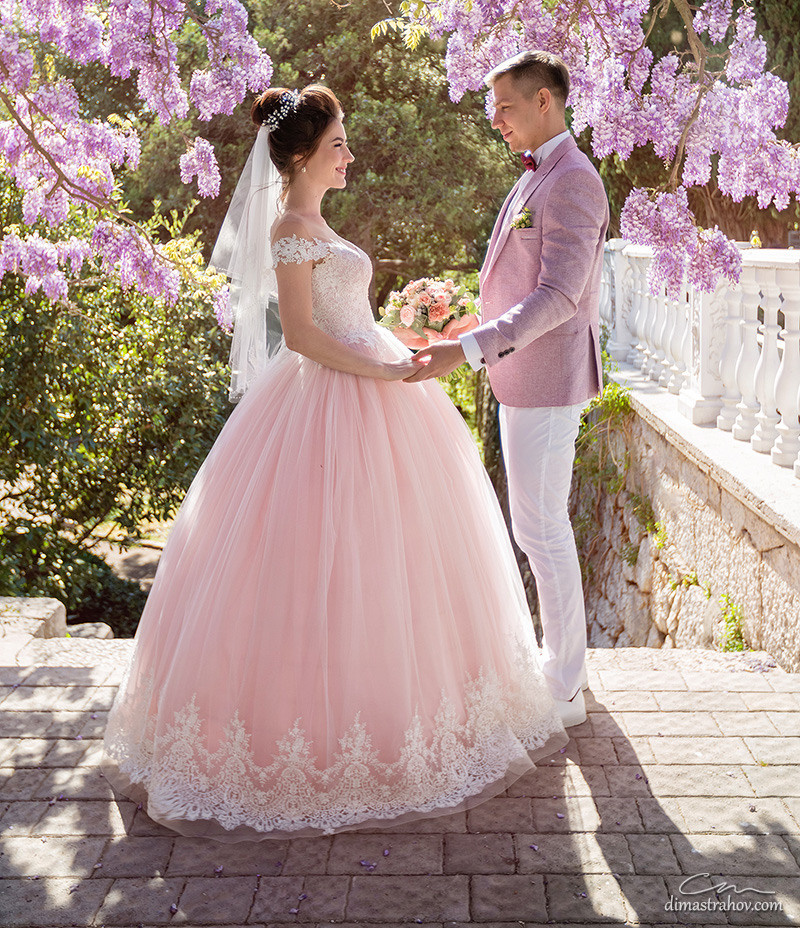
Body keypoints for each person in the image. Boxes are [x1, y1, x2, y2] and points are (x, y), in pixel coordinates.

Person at [100, 83, 568, 841]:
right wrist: (379, 369)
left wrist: (397, 342)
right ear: (303, 157)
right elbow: (304, 334)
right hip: (326, 394)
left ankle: (400, 714)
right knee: (308, 565)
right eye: (337, 145)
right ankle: (300, 738)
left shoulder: (317, 221)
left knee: (389, 561)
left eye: (345, 142)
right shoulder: (290, 226)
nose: (349, 155)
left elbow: (345, 316)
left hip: (375, 378)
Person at [406, 51, 609, 729]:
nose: (496, 121)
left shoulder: (573, 181)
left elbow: (558, 296)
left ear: (545, 100)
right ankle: (562, 668)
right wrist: (466, 323)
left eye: (506, 108)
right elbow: (521, 279)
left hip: (548, 382)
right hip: (518, 374)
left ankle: (567, 687)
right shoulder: (536, 177)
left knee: (544, 531)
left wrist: (465, 349)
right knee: (534, 528)